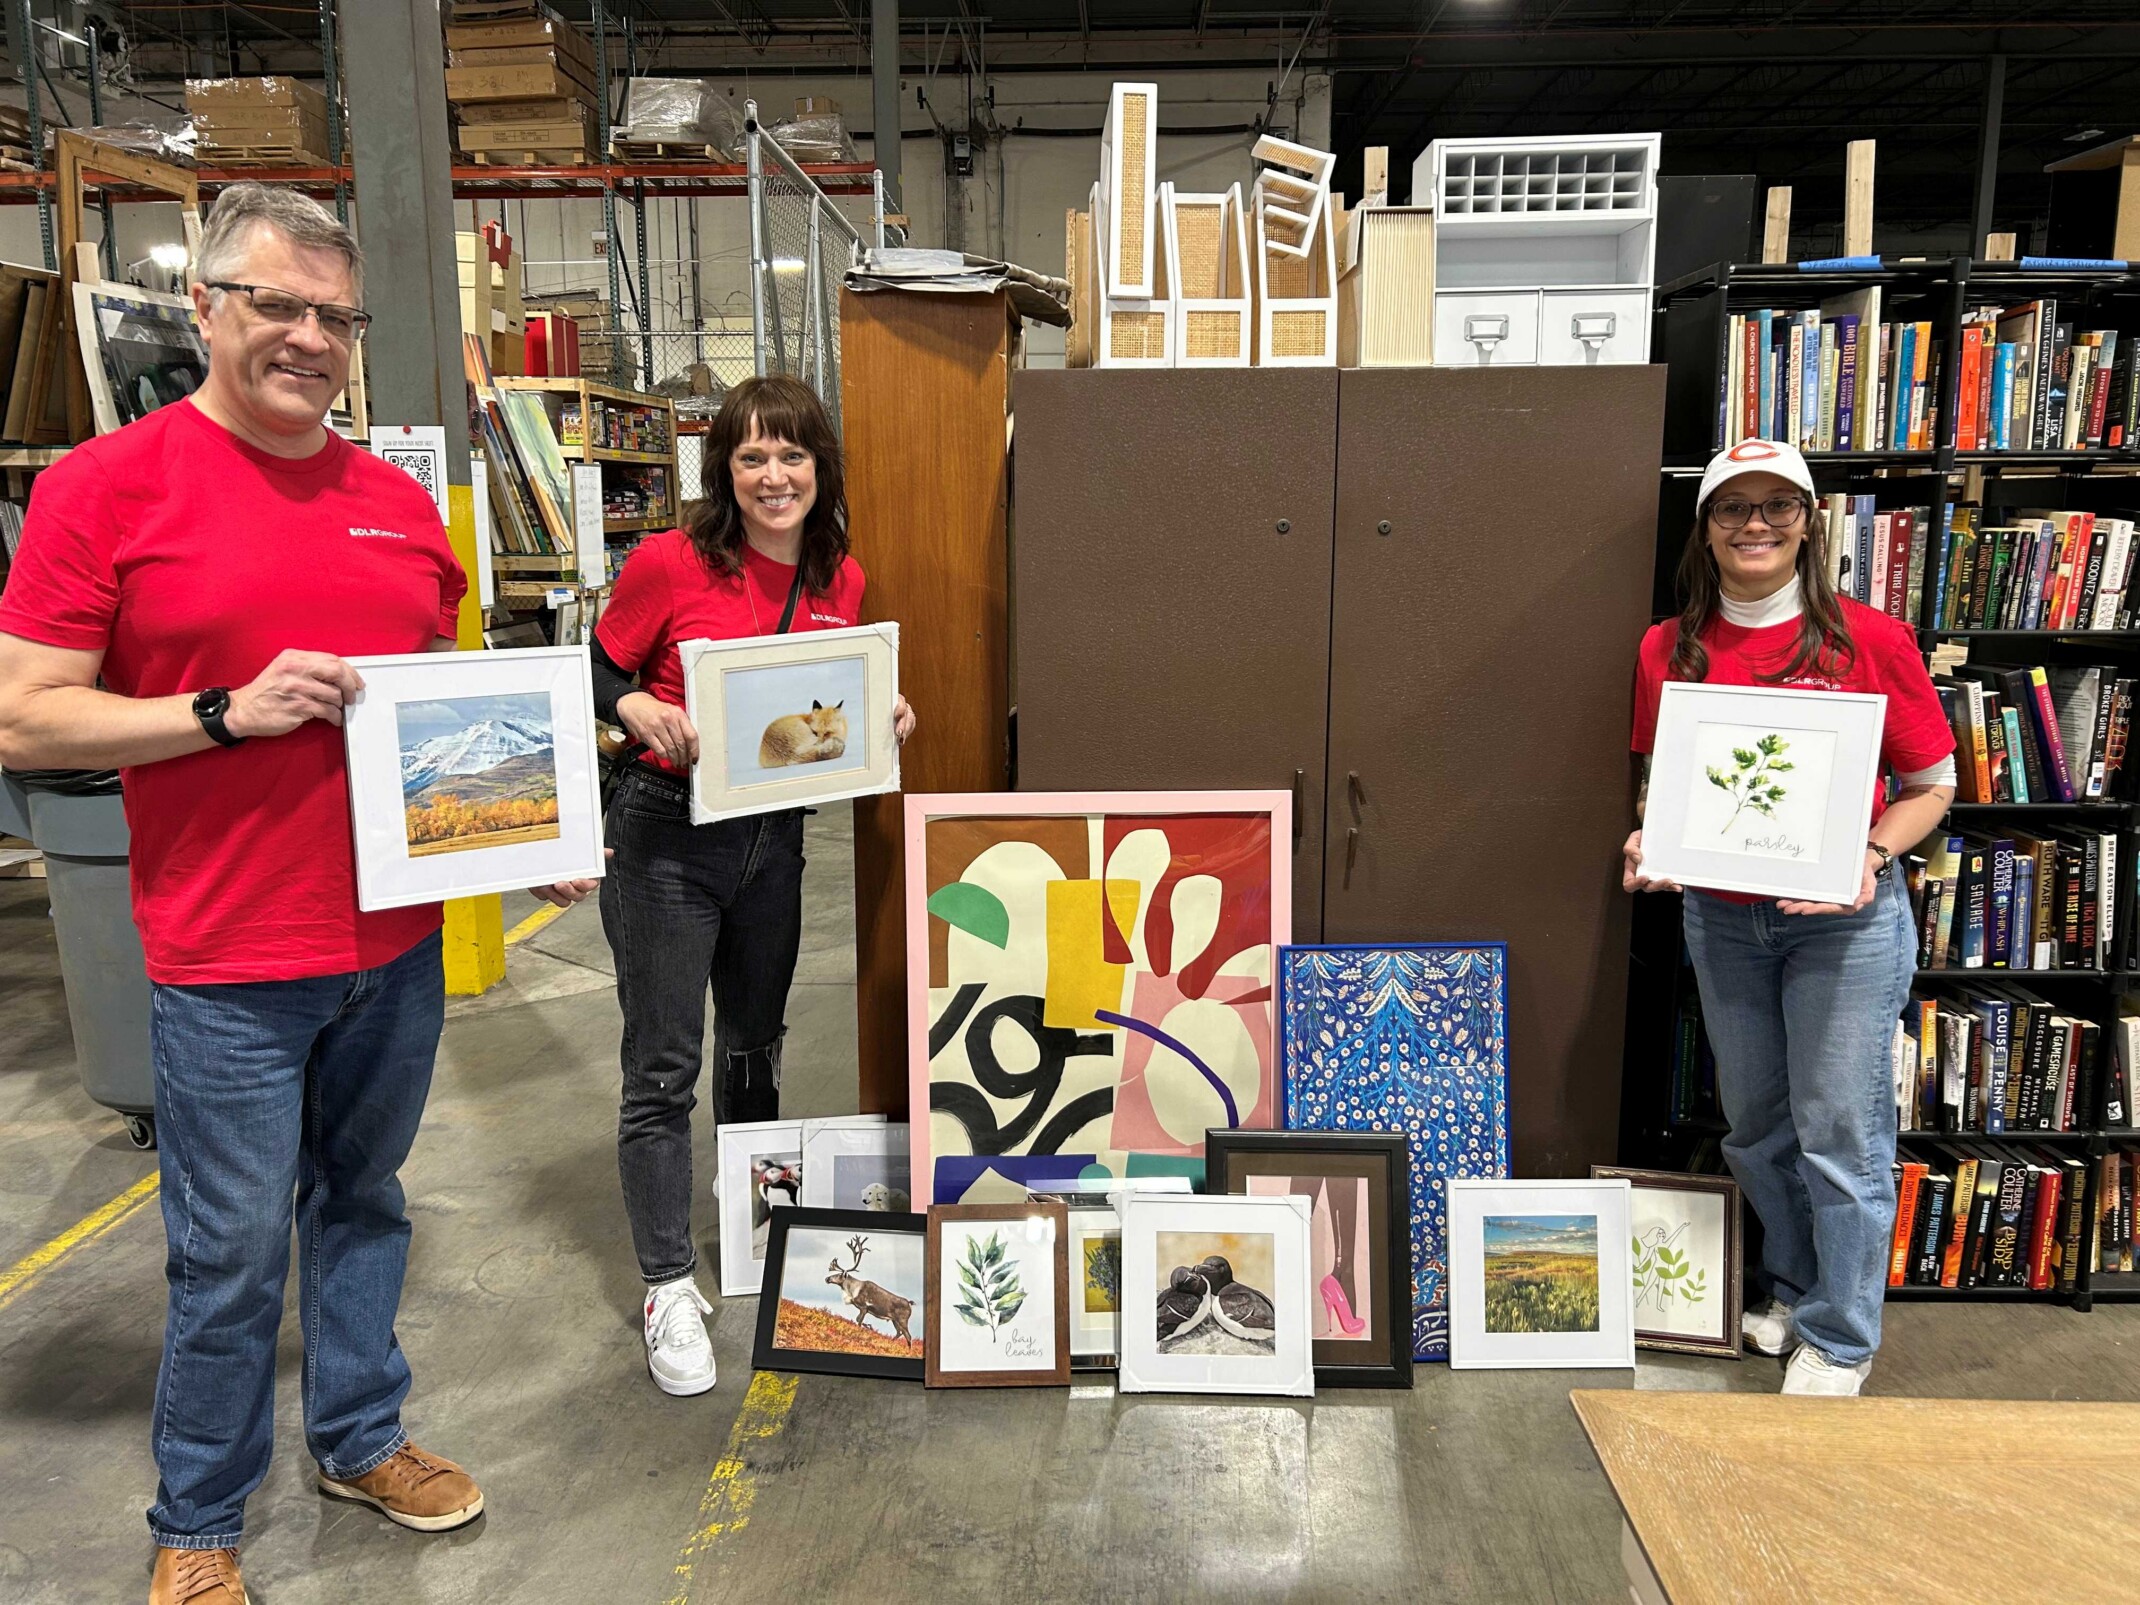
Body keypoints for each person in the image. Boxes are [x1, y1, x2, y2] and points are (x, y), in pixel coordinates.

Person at [0, 184, 596, 1605]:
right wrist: (222, 712)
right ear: (206, 307)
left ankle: (358, 1436)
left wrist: (522, 826)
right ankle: (197, 1520)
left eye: (337, 316)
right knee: (227, 1251)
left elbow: (442, 708)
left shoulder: (398, 506)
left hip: (394, 942)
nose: (310, 338)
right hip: (228, 952)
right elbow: (24, 718)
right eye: (278, 304)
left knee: (366, 1199)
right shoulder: (106, 488)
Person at [587, 374, 914, 1398]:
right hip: (665, 835)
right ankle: (666, 1283)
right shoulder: (669, 561)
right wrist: (634, 707)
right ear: (724, 470)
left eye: (792, 455)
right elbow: (594, 668)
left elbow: (818, 705)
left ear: (821, 468)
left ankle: (752, 1233)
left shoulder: (838, 576)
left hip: (775, 838)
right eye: (752, 456)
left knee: (755, 1043)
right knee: (663, 1066)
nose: (774, 476)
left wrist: (877, 713)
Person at [1622, 439, 1956, 1398]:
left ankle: (1842, 1336)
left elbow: (1933, 787)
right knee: (1757, 1126)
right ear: (1706, 529)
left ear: (1809, 522)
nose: (1756, 524)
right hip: (1724, 922)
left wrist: (1870, 854)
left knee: (1841, 1130)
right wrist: (1651, 837)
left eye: (1778, 505)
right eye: (1734, 507)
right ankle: (1795, 1288)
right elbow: (1667, 783)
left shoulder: (1869, 639)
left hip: (1843, 926)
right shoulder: (1667, 647)